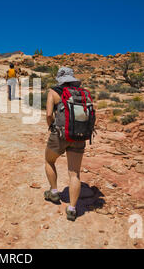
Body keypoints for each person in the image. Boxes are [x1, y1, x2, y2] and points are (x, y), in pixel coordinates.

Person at [44, 67, 87, 221]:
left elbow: (49, 114)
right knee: (74, 172)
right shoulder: (81, 93)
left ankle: (54, 192)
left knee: (49, 160)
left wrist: (51, 126)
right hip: (79, 135)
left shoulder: (54, 92)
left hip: (60, 135)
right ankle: (72, 209)